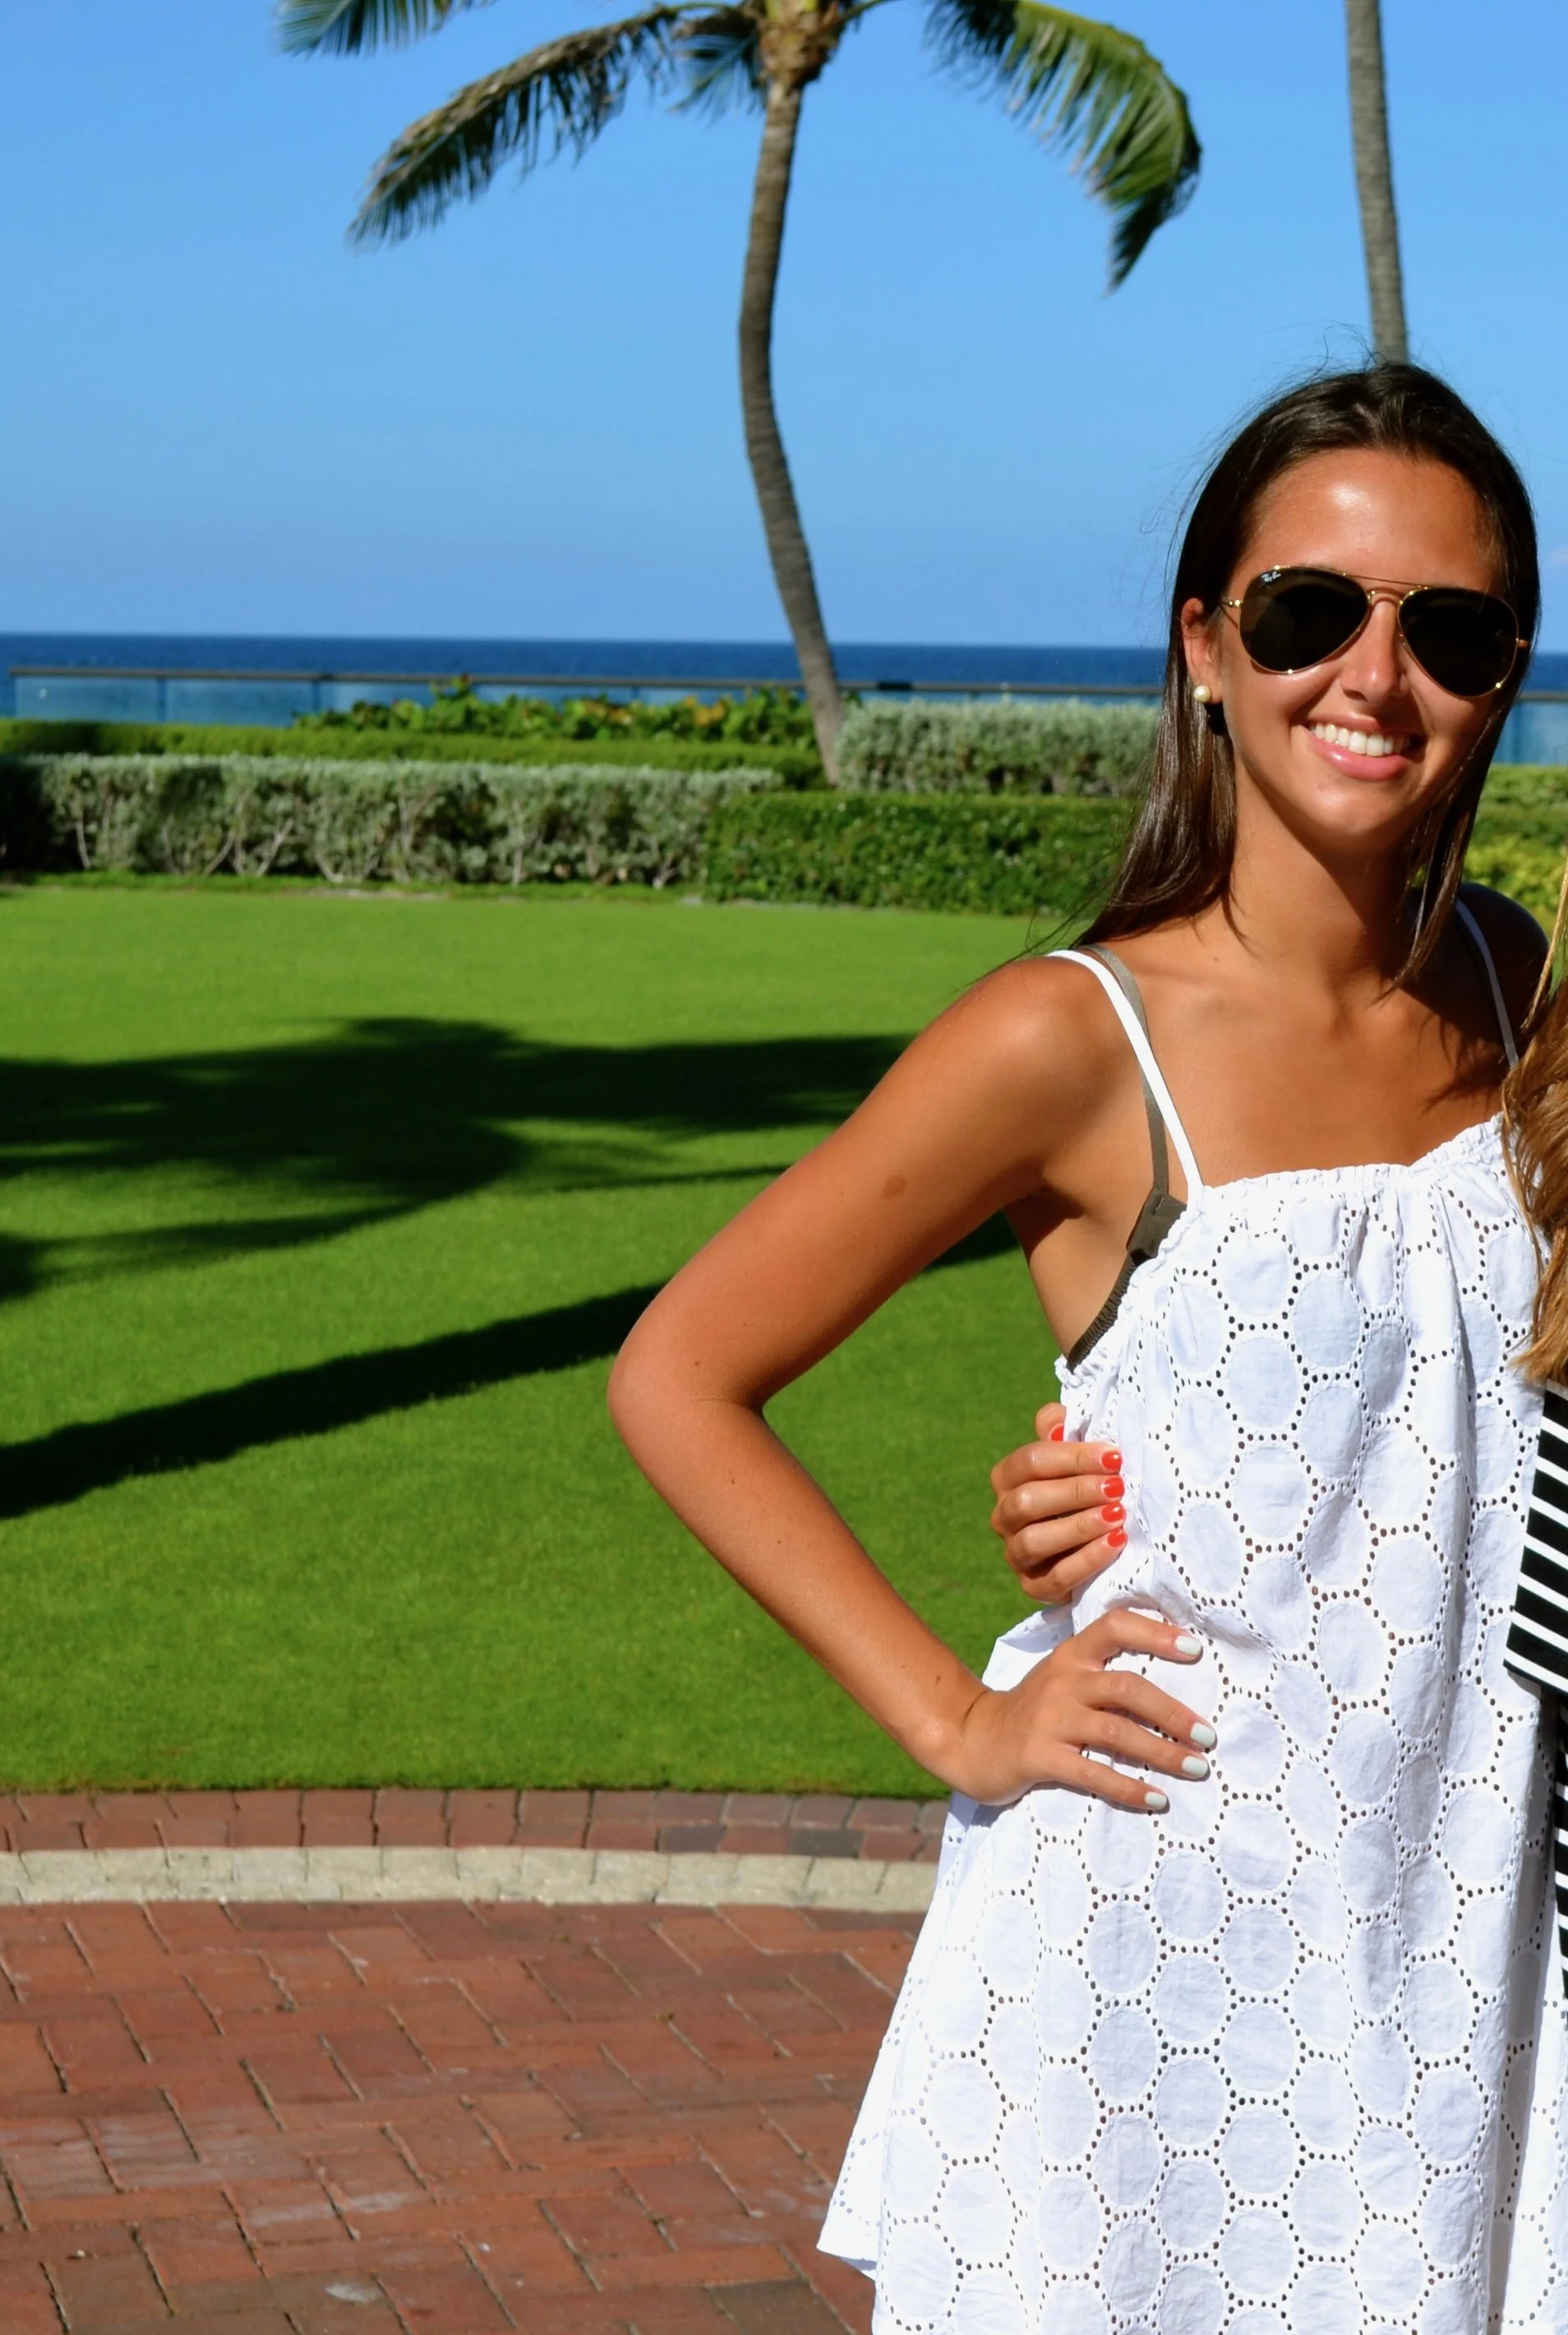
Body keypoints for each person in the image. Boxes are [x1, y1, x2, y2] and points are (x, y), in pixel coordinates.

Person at [606, 364, 1559, 2330]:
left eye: (1447, 631)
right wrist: (959, 1723)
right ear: (1204, 644)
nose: (1372, 677)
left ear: (1500, 677)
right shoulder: (1064, 1040)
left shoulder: (1517, 982)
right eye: (1308, 610)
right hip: (1160, 1941)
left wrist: (1135, 1472)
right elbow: (678, 1373)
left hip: (1459, 1914)